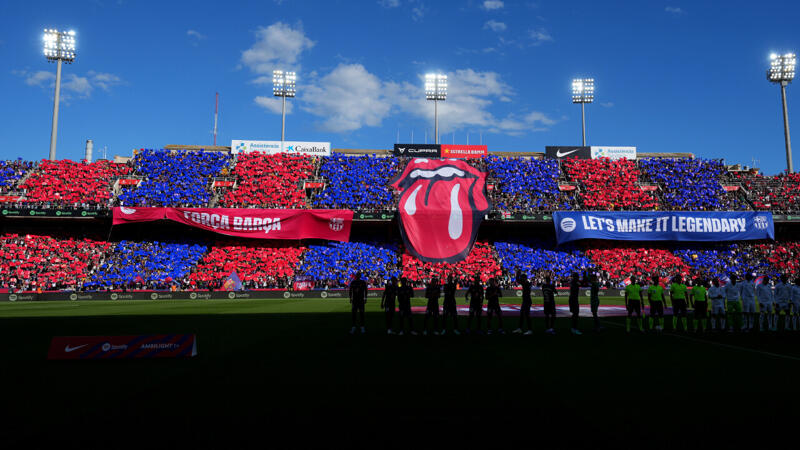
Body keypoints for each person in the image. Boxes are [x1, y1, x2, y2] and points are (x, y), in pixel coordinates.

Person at [513, 271, 533, 335]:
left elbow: (518, 280)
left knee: (526, 315)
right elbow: (518, 281)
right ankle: (520, 328)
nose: (521, 279)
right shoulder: (526, 283)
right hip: (526, 300)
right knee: (522, 315)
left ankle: (529, 330)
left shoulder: (526, 283)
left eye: (522, 278)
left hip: (527, 301)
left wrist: (517, 274)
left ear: (524, 278)